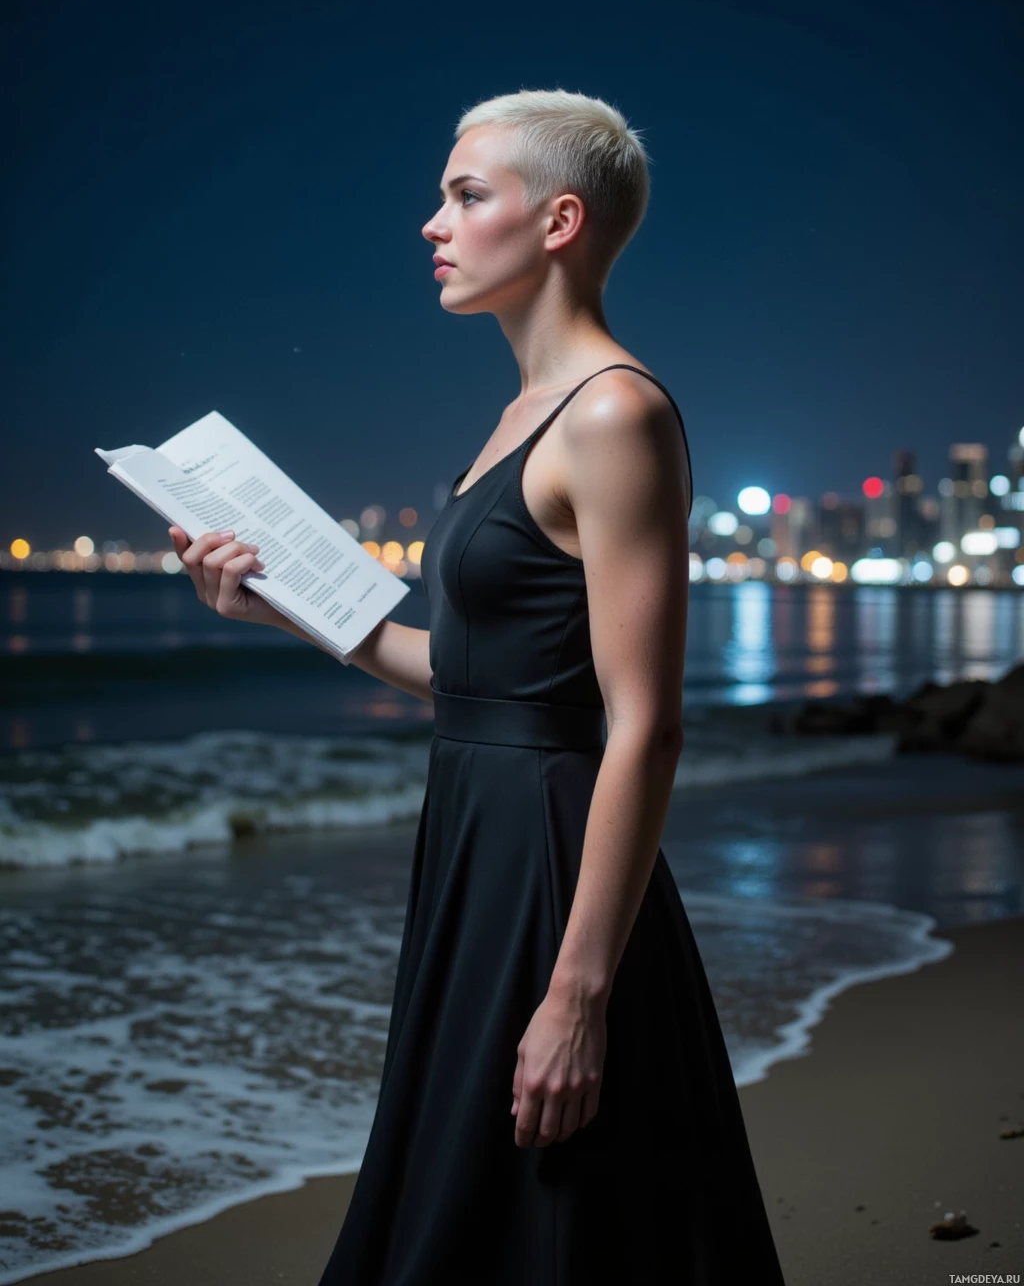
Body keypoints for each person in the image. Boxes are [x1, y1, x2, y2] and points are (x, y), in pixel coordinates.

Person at [170, 89, 786, 1283]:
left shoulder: (615, 413)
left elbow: (646, 726)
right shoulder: (516, 418)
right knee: (470, 1190)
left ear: (559, 221)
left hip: (550, 864)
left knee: (543, 1207)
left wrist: (579, 993)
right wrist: (280, 608)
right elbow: (468, 679)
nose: (430, 225)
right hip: (475, 837)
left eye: (464, 195)